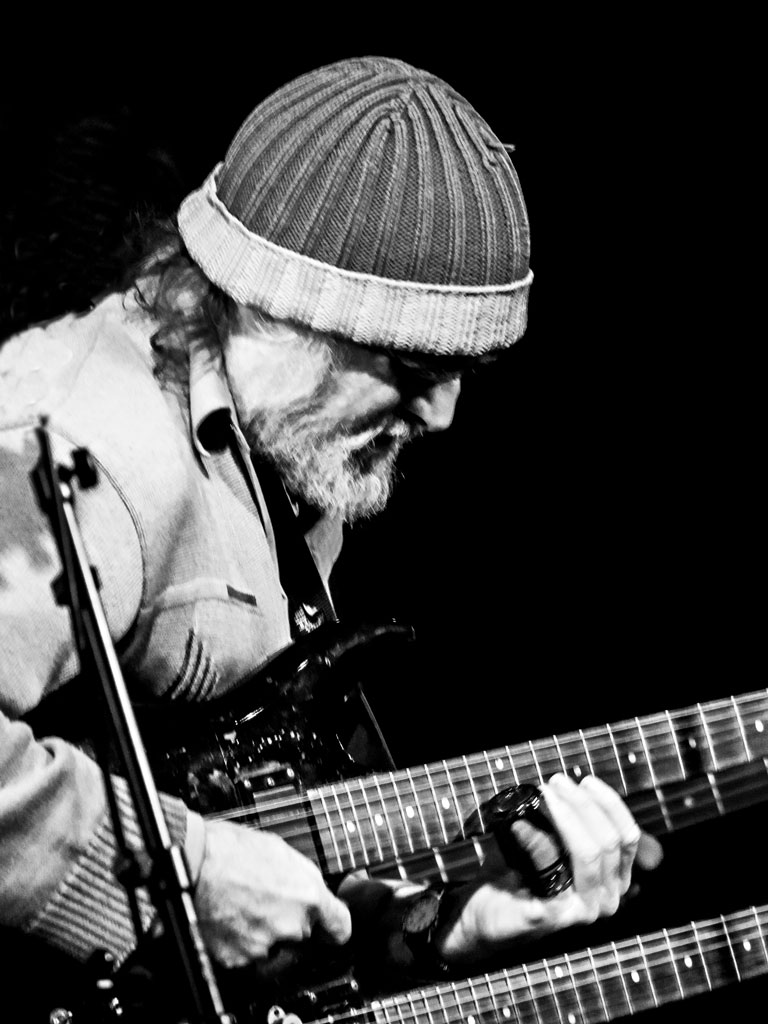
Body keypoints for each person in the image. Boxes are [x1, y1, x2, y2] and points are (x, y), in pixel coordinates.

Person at [0, 56, 661, 1016]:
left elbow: (246, 825)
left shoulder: (294, 453)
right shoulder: (93, 446)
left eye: (465, 371)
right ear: (279, 304)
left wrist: (435, 926)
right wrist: (182, 879)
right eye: (411, 364)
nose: (442, 414)